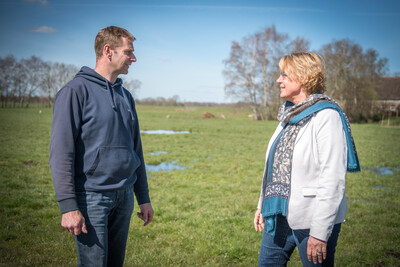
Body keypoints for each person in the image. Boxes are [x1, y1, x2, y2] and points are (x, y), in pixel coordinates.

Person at [49, 26, 154, 266]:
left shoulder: (126, 97)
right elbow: (60, 154)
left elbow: (135, 151)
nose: (134, 58)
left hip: (125, 195)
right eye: (129, 52)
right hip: (92, 197)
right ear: (108, 51)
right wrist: (68, 207)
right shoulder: (75, 92)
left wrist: (143, 198)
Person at [253, 52, 360, 266]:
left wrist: (320, 233)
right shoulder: (288, 115)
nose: (278, 80)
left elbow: (332, 179)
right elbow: (273, 166)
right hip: (278, 213)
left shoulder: (326, 117)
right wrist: (262, 205)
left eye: (284, 75)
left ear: (302, 77)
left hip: (312, 220)